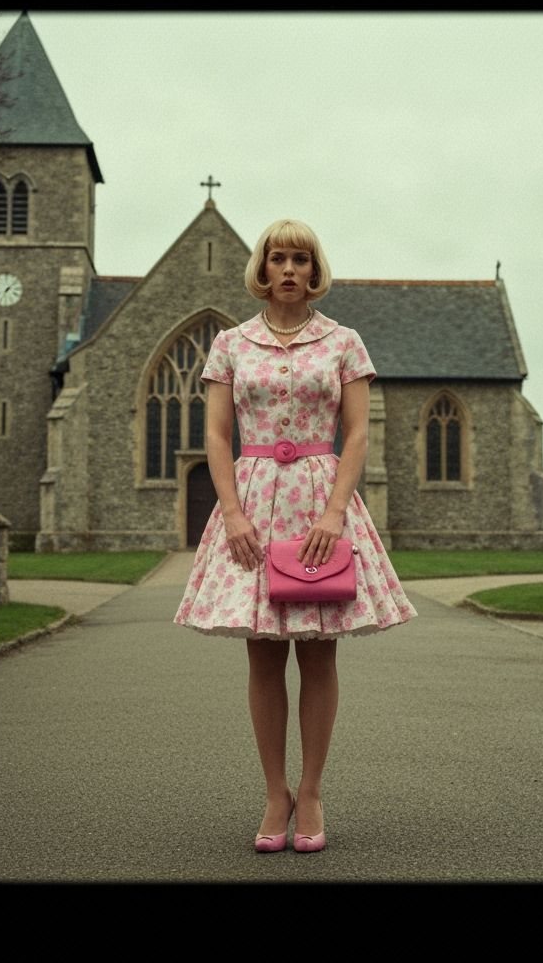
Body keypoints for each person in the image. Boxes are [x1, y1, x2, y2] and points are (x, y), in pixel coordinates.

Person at [174, 218, 417, 853]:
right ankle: (273, 791)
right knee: (261, 654)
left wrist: (335, 514)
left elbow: (357, 434)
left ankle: (310, 791)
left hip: (319, 502)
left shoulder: (345, 342)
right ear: (262, 268)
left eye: (300, 259)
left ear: (314, 271)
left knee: (318, 653)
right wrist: (231, 513)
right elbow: (217, 435)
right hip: (252, 503)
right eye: (277, 258)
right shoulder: (230, 344)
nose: (288, 269)